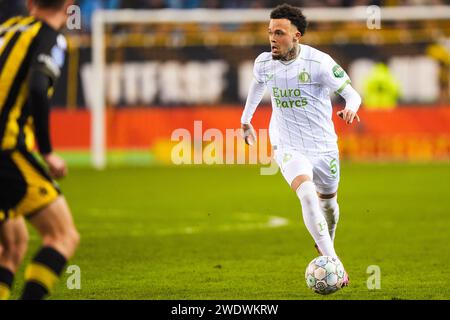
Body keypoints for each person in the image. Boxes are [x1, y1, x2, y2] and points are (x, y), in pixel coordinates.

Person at [241, 3, 362, 287]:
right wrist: (246, 120)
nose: (272, 38)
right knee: (306, 194)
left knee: (329, 205)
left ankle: (326, 245)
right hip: (287, 144)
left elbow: (352, 93)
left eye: (279, 33)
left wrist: (351, 108)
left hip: (323, 146)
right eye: (270, 32)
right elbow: (258, 83)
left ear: (297, 36)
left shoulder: (319, 63)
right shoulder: (263, 63)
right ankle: (334, 263)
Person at [0, 0, 79, 300]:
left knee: (12, 244)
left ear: (30, 2)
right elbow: (36, 88)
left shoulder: (6, 30)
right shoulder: (50, 37)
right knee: (63, 235)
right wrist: (46, 151)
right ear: (70, 6)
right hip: (5, 150)